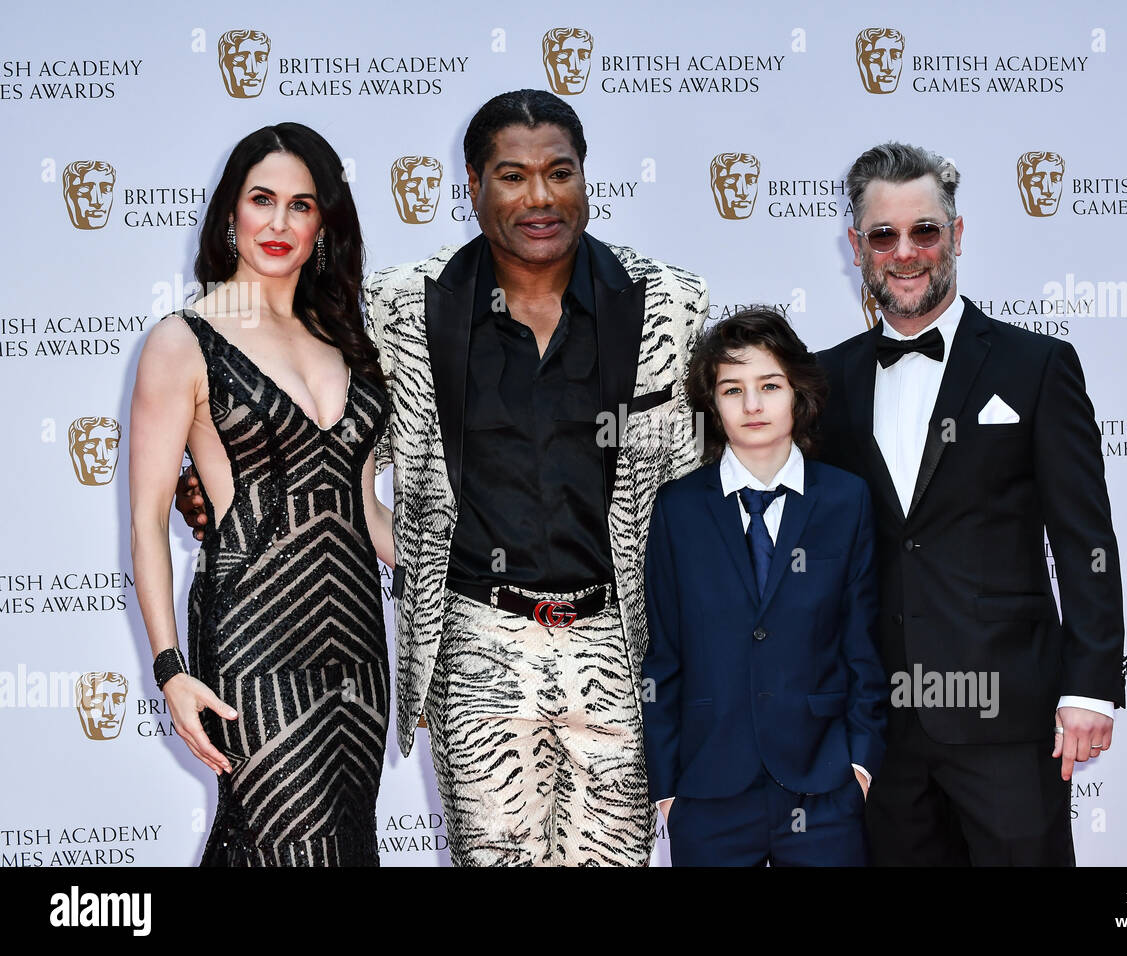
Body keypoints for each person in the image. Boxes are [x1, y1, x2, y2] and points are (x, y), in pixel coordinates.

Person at [179, 90, 705, 866]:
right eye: (512, 175)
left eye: (559, 173)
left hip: (619, 651)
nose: (539, 196)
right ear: (473, 185)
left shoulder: (670, 300)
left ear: (586, 180)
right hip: (476, 645)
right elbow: (342, 450)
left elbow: (699, 498)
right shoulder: (401, 308)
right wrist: (225, 480)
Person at [817, 142, 1125, 866]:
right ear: (857, 247)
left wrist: (1092, 687)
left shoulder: (1036, 366)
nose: (905, 252)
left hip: (1009, 719)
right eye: (884, 235)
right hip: (881, 726)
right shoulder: (824, 380)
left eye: (924, 230)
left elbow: (1085, 538)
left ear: (956, 236)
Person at [133, 123, 392, 866]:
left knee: (343, 848)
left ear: (323, 224)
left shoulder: (345, 340)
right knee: (287, 843)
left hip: (357, 645)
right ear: (230, 213)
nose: (279, 223)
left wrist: (479, 560)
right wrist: (170, 669)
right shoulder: (183, 340)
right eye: (262, 200)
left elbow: (365, 511)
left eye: (301, 206)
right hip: (253, 637)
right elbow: (150, 522)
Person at [642, 309, 887, 866]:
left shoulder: (845, 500)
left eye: (769, 385)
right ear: (713, 403)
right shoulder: (678, 509)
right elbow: (664, 656)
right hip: (708, 790)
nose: (752, 405)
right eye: (733, 389)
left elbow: (862, 646)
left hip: (824, 784)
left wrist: (861, 764)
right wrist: (668, 787)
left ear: (797, 392)